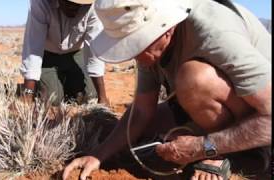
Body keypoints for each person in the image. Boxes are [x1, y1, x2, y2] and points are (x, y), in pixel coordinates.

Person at [63, 0, 271, 179]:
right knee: (139, 129)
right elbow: (142, 111)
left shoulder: (214, 32)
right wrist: (99, 154)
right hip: (219, 105)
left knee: (194, 78)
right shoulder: (151, 46)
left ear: (166, 28)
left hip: (261, 112)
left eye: (135, 44)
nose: (132, 54)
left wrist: (202, 147)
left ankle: (237, 154)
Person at [20, 0, 109, 105]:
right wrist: (27, 93)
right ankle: (42, 83)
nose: (73, 6)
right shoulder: (40, 3)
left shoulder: (93, 7)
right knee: (52, 99)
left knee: (89, 95)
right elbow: (34, 47)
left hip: (75, 54)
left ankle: (60, 82)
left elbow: (94, 50)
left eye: (79, 4)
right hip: (47, 56)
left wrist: (102, 97)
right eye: (69, 2)